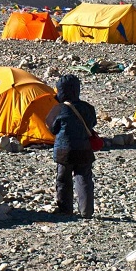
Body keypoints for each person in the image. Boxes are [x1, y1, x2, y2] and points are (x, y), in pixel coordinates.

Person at [46, 74, 97, 217]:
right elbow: (92, 123)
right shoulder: (88, 108)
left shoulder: (58, 109)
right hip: (84, 150)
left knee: (63, 180)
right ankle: (86, 211)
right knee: (84, 179)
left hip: (64, 151)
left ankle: (65, 210)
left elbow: (52, 128)